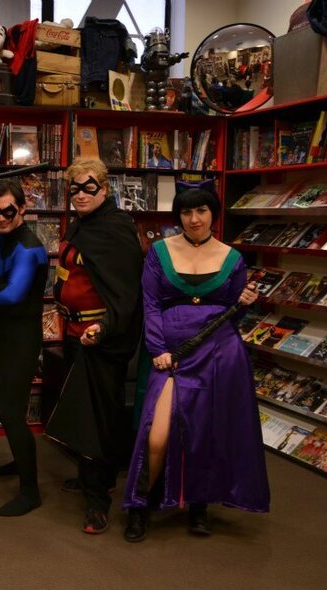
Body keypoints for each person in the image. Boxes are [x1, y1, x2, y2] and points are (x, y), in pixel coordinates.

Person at [121, 184, 269, 542]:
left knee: (207, 431)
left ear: (213, 214)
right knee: (157, 434)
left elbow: (233, 313)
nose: (194, 219)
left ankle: (200, 503)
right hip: (171, 353)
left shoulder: (232, 258)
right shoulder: (158, 252)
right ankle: (140, 504)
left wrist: (246, 300)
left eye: (201, 211)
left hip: (220, 354)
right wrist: (158, 348)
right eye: (186, 212)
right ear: (179, 217)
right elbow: (151, 303)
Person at [44, 158, 144, 534]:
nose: (80, 195)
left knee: (97, 418)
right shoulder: (81, 226)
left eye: (89, 187)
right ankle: (94, 477)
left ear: (105, 189)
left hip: (101, 342)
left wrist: (102, 328)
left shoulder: (115, 228)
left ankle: (97, 499)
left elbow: (125, 293)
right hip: (73, 337)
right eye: (74, 189)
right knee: (82, 412)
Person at [0, 179, 49, 516]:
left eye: (9, 211)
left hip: (21, 338)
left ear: (23, 209)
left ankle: (30, 492)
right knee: (4, 408)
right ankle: (20, 461)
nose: (1, 218)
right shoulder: (3, 235)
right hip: (1, 335)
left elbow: (12, 295)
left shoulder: (30, 248)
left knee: (14, 415)